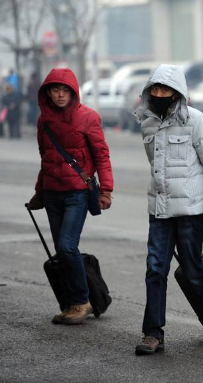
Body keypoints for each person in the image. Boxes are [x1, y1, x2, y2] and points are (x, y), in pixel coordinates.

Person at [133, 64, 203, 355]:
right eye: (156, 89)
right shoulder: (147, 123)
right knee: (155, 269)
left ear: (177, 93)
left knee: (192, 268)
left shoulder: (196, 120)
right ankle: (153, 333)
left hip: (191, 209)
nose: (160, 94)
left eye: (166, 89)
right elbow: (157, 167)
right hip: (160, 208)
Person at [26, 68, 114, 324]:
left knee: (67, 246)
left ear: (74, 92)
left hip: (77, 192)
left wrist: (106, 190)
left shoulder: (88, 117)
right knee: (61, 250)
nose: (60, 94)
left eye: (65, 90)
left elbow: (102, 156)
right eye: (55, 90)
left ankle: (80, 302)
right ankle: (72, 302)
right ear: (47, 93)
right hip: (52, 193)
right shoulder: (44, 120)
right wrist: (39, 193)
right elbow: (46, 160)